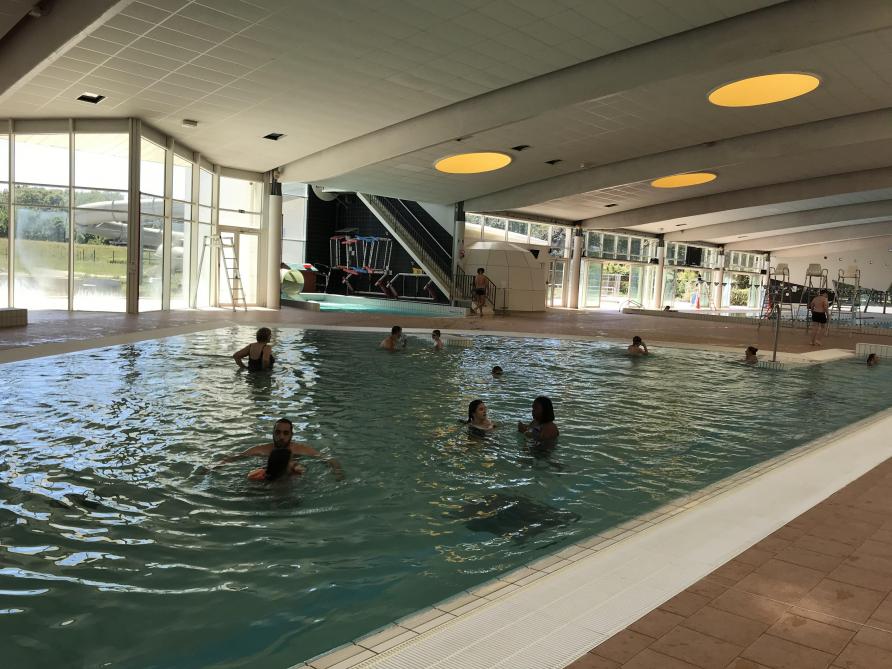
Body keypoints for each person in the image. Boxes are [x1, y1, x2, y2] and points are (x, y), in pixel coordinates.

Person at [219, 418, 345, 481]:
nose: (281, 437)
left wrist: (338, 472)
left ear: (291, 435)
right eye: (278, 432)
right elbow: (236, 457)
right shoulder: (262, 450)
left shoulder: (300, 449)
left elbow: (328, 459)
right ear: (273, 434)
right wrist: (211, 468)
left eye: (285, 433)